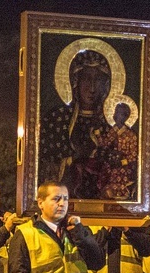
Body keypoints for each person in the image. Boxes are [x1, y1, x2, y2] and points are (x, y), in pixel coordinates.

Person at [40, 50, 119, 199]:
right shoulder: (58, 118)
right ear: (76, 81)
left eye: (98, 80)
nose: (92, 88)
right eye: (87, 79)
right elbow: (47, 163)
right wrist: (73, 159)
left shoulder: (108, 124)